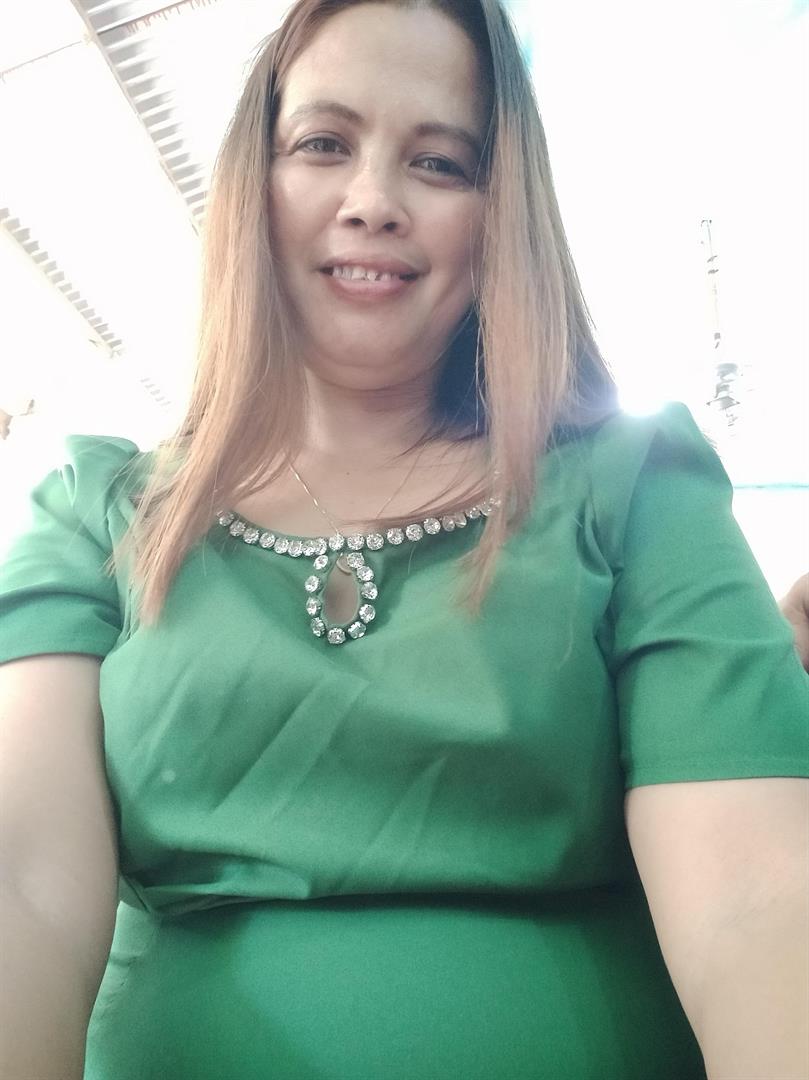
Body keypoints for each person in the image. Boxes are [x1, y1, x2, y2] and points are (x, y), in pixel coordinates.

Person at [0, 1, 807, 1078]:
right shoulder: (94, 511)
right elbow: (22, 887)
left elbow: (754, 900)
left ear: (500, 213)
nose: (372, 202)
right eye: (322, 143)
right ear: (251, 183)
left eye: (438, 162)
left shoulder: (637, 487)